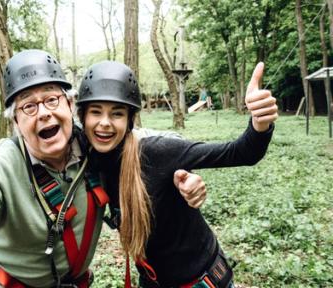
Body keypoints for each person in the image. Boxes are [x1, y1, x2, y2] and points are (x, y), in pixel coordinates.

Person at [0, 49, 207, 288]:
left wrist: (182, 174)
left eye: (51, 99)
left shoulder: (95, 142)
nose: (44, 113)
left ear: (69, 105)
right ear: (15, 122)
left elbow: (148, 141)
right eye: (28, 106)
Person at [76, 60, 278, 288]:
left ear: (129, 120)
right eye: (95, 112)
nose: (105, 123)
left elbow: (241, 153)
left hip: (202, 281)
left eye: (117, 114)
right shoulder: (85, 159)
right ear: (83, 117)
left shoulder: (157, 152)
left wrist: (260, 122)